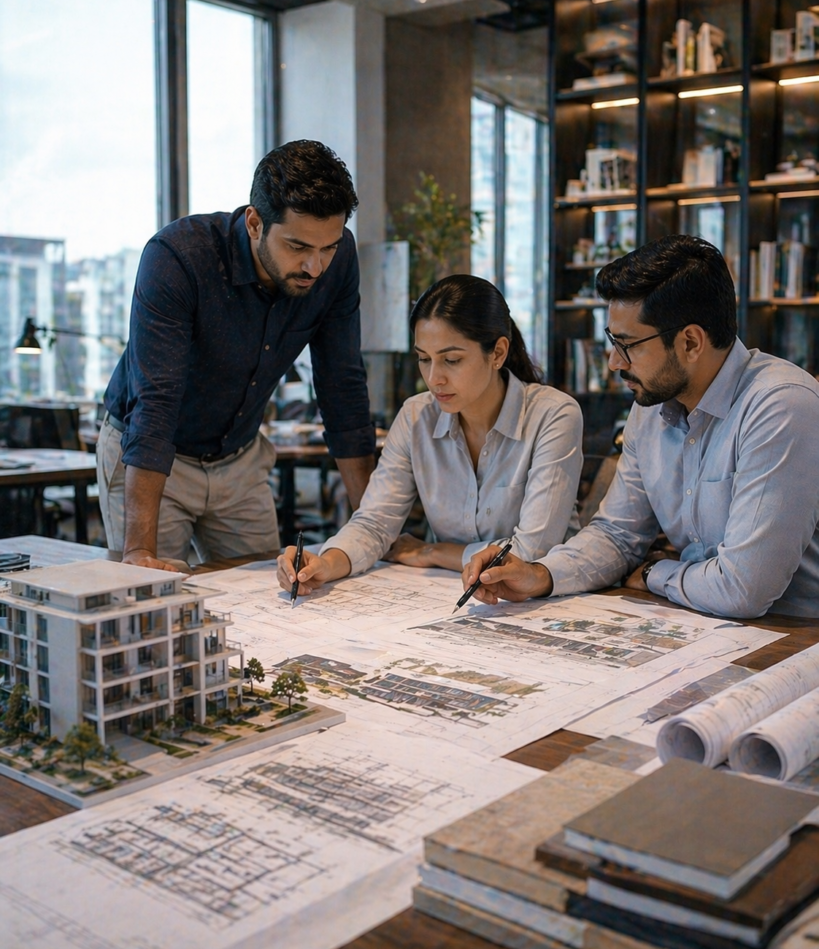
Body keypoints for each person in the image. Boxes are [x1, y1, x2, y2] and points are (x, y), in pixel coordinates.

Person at [463, 234, 819, 620]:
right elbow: (618, 535)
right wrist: (539, 575)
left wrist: (653, 572)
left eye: (628, 345)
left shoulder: (781, 405)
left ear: (691, 343)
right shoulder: (651, 407)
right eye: (612, 342)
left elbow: (743, 590)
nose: (615, 362)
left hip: (795, 637)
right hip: (703, 624)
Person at [98, 140, 376, 570]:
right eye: (298, 247)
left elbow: (343, 385)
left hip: (240, 459)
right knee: (152, 604)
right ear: (253, 223)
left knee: (271, 599)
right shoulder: (178, 258)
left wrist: (371, 526)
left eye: (328, 248)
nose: (315, 267)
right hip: (150, 458)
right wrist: (138, 552)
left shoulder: (336, 263)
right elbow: (157, 401)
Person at [278, 275, 583, 596]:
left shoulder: (553, 414)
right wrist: (326, 563)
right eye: (424, 359)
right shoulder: (416, 416)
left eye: (452, 360)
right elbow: (374, 523)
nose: (434, 378)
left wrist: (433, 552)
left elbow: (531, 552)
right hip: (452, 594)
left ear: (497, 353)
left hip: (550, 602)